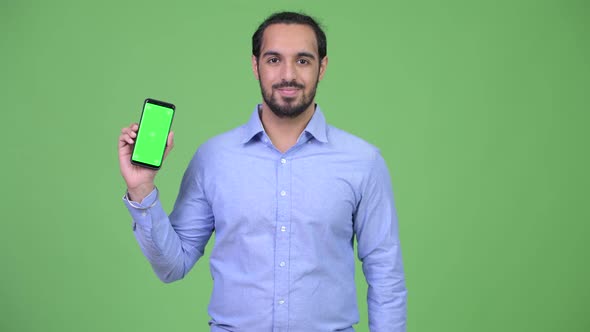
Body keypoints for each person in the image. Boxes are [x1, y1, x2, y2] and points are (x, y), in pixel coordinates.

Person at [118, 11, 407, 332]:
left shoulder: (363, 162)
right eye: (273, 60)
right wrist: (142, 190)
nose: (288, 74)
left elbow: (386, 277)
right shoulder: (213, 158)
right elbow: (173, 266)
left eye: (302, 61)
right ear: (255, 65)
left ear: (322, 67)